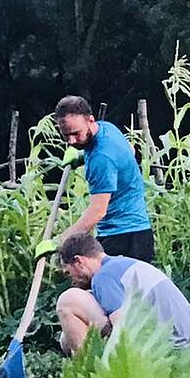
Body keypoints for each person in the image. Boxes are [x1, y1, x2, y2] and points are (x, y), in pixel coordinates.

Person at [54, 232, 190, 352]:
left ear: (79, 261)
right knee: (66, 339)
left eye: (69, 272)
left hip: (173, 348)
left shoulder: (104, 277)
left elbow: (122, 329)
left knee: (68, 301)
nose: (72, 279)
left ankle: (91, 375)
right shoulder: (120, 265)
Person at [54, 95, 155, 263]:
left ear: (90, 121)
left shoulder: (101, 159)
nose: (71, 141)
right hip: (138, 234)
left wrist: (60, 241)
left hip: (123, 239)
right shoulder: (107, 128)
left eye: (76, 134)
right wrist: (81, 156)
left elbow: (97, 212)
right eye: (66, 135)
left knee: (99, 286)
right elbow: (130, 150)